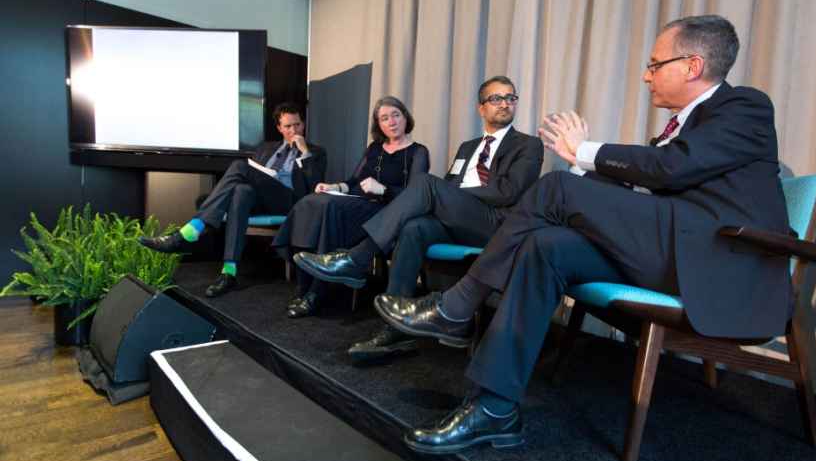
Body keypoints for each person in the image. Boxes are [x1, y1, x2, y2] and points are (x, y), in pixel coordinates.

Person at [372, 15, 792, 454]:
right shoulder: (674, 129)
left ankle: (456, 305)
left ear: (691, 65)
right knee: (544, 245)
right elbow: (643, 189)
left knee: (554, 188)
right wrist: (580, 168)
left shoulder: (745, 107)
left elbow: (673, 170)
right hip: (668, 248)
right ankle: (494, 409)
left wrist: (585, 154)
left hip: (715, 265)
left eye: (654, 64)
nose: (646, 76)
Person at [293, 76, 543, 362]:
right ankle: (394, 330)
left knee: (425, 183)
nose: (504, 103)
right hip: (460, 219)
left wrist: (451, 193)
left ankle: (356, 259)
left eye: (510, 97)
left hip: (495, 224)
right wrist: (449, 193)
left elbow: (507, 192)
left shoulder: (529, 145)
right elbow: (449, 185)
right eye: (495, 98)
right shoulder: (467, 147)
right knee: (414, 228)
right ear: (481, 108)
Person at [139, 103, 326, 298]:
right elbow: (253, 176)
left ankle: (190, 231)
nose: (293, 130)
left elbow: (313, 187)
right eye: (288, 126)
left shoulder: (317, 152)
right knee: (241, 191)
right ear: (279, 128)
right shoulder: (265, 149)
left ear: (303, 124)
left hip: (288, 200)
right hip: (259, 199)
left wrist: (304, 154)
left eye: (297, 125)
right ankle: (229, 272)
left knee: (239, 166)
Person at [276, 96, 430, 317]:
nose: (392, 122)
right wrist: (333, 186)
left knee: (328, 208)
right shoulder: (375, 148)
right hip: (358, 204)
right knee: (312, 202)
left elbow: (418, 195)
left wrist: (383, 189)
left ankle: (315, 293)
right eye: (384, 118)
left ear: (405, 117)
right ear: (379, 125)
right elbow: (353, 181)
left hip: (386, 212)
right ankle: (304, 287)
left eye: (396, 115)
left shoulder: (419, 152)